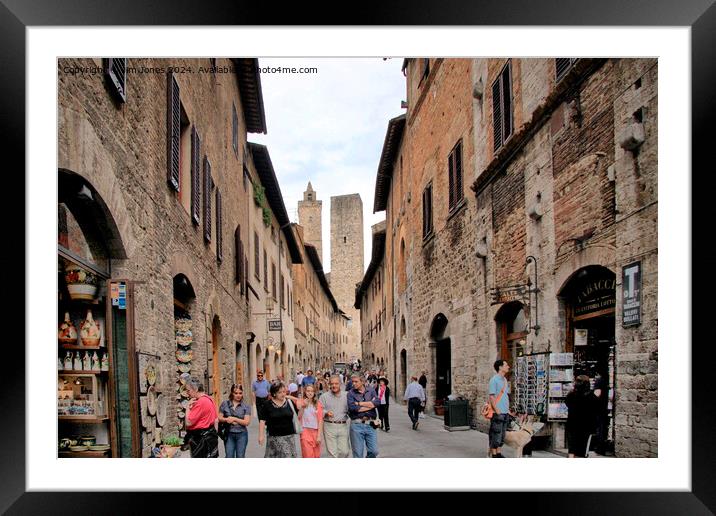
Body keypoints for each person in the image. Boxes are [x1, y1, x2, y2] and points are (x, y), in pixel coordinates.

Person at [181, 374, 219, 458]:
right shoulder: (209, 399)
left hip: (201, 440)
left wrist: (187, 408)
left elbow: (188, 423)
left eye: (188, 390)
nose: (187, 393)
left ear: (196, 389)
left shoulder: (201, 402)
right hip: (209, 438)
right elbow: (216, 420)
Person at [258, 381, 299, 458]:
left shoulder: (289, 403)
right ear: (274, 393)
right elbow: (262, 420)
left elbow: (299, 407)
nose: (283, 394)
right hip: (274, 438)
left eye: (284, 392)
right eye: (280, 392)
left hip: (289, 437)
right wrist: (261, 436)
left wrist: (289, 397)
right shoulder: (267, 405)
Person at [566, 375, 600, 458]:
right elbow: (596, 409)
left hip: (572, 424)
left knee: (572, 448)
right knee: (583, 449)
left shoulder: (571, 395)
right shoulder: (592, 396)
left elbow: (567, 404)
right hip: (586, 426)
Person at [347, 374, 379, 458]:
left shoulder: (371, 390)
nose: (354, 384)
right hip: (357, 425)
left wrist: (360, 403)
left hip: (371, 424)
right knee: (358, 453)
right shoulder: (350, 393)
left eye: (356, 382)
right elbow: (353, 408)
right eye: (352, 382)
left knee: (374, 451)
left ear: (362, 382)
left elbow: (377, 402)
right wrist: (370, 405)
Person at [319, 375, 351, 458]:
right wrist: (326, 412)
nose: (334, 386)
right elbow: (318, 410)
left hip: (342, 425)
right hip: (329, 426)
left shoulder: (346, 395)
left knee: (345, 451)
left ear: (340, 383)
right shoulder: (324, 396)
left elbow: (351, 408)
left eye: (336, 383)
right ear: (329, 384)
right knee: (332, 453)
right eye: (332, 384)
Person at [218, 384, 251, 458]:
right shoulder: (225, 404)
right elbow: (219, 417)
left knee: (240, 456)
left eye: (240, 393)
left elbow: (247, 422)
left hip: (242, 434)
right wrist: (227, 419)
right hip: (229, 434)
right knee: (229, 456)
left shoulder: (246, 406)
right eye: (236, 393)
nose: (238, 395)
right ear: (232, 393)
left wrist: (234, 419)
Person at [488, 359, 512, 458]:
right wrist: (497, 410)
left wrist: (508, 410)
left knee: (502, 434)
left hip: (505, 412)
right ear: (500, 367)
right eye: (506, 365)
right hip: (497, 412)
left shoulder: (505, 380)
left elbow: (505, 396)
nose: (508, 367)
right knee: (496, 433)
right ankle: (494, 454)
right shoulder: (494, 380)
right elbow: (492, 396)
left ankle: (498, 452)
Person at [293, 384, 324, 458]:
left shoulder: (318, 404)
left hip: (315, 433)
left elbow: (320, 420)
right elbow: (299, 417)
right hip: (305, 432)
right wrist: (303, 406)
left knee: (316, 456)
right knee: (307, 455)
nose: (310, 393)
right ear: (305, 392)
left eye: (312, 391)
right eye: (308, 391)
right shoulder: (301, 402)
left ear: (314, 393)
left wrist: (319, 435)